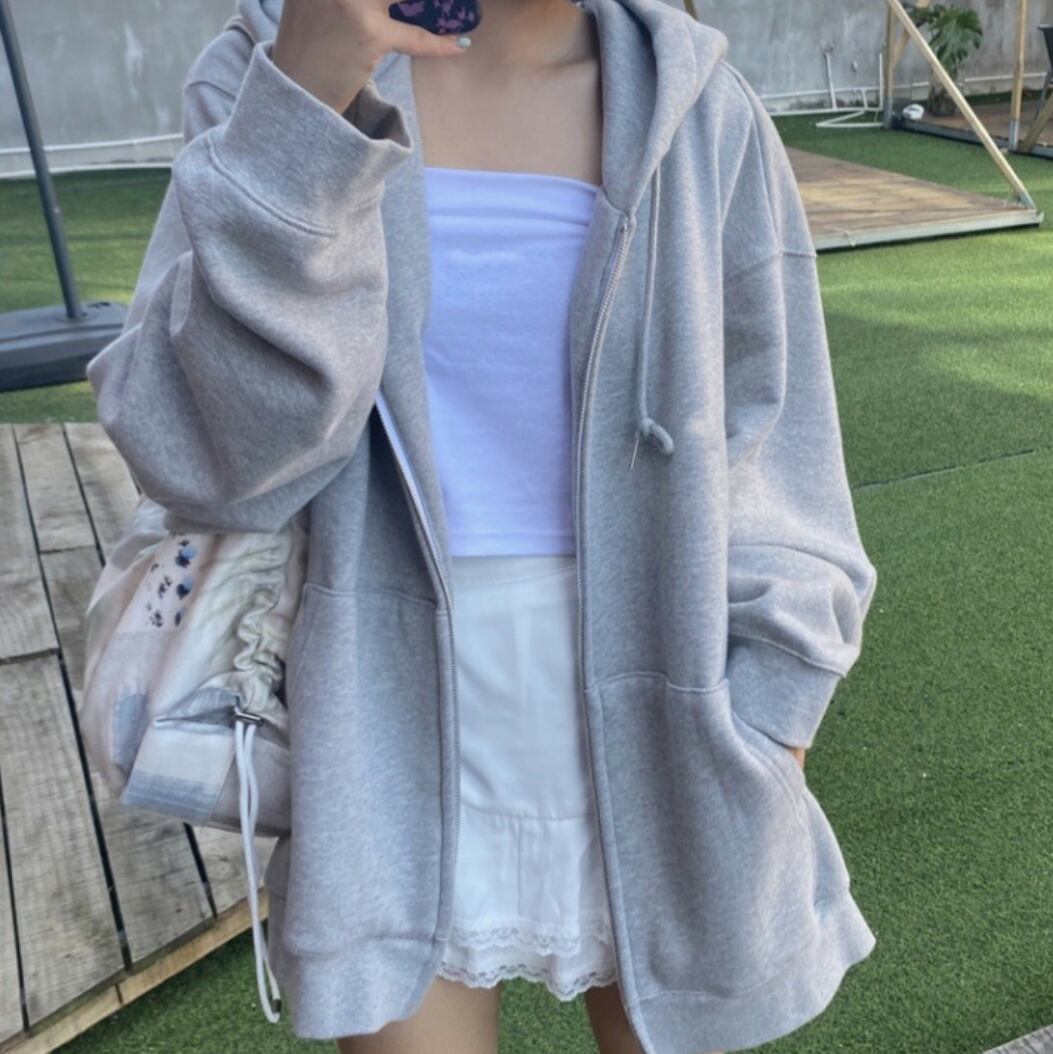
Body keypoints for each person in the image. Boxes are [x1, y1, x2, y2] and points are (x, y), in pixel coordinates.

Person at [85, 0, 880, 1050]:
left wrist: (777, 709)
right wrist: (305, 105)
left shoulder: (700, 110)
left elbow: (778, 442)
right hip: (379, 725)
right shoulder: (266, 73)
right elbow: (206, 461)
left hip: (669, 717)